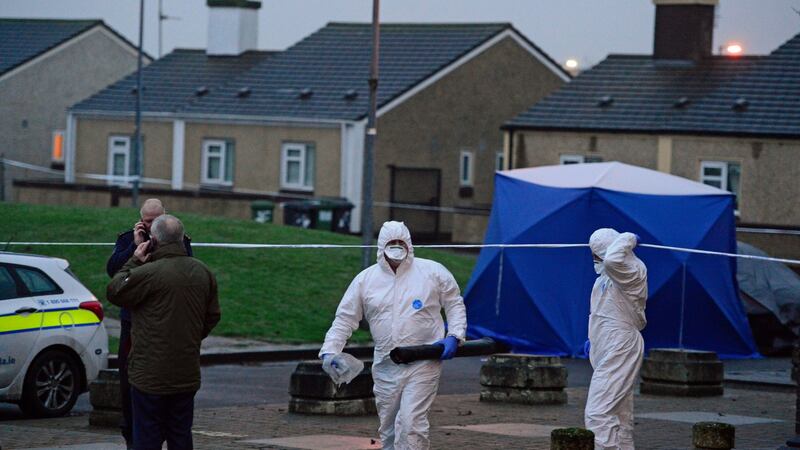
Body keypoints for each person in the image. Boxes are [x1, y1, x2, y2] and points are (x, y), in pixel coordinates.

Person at [319, 221, 467, 450]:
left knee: (411, 424)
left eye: (401, 242)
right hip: (387, 363)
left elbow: (454, 304)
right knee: (389, 430)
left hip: (424, 360)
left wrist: (455, 335)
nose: (397, 247)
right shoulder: (366, 280)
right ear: (381, 246)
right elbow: (345, 318)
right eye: (392, 243)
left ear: (409, 244)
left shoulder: (432, 272)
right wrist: (330, 350)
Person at [107, 215, 220, 450]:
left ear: (154, 240)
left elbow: (115, 290)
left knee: (147, 437)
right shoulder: (203, 272)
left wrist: (134, 261)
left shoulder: (148, 273)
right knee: (180, 434)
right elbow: (212, 316)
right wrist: (190, 337)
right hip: (186, 373)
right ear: (181, 239)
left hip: (149, 374)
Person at [585, 228, 648, 450]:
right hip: (607, 346)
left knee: (598, 411)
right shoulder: (604, 278)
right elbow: (600, 313)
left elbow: (612, 261)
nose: (595, 260)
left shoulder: (631, 271)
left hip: (621, 345)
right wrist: (593, 342)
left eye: (598, 254)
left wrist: (628, 238)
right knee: (620, 411)